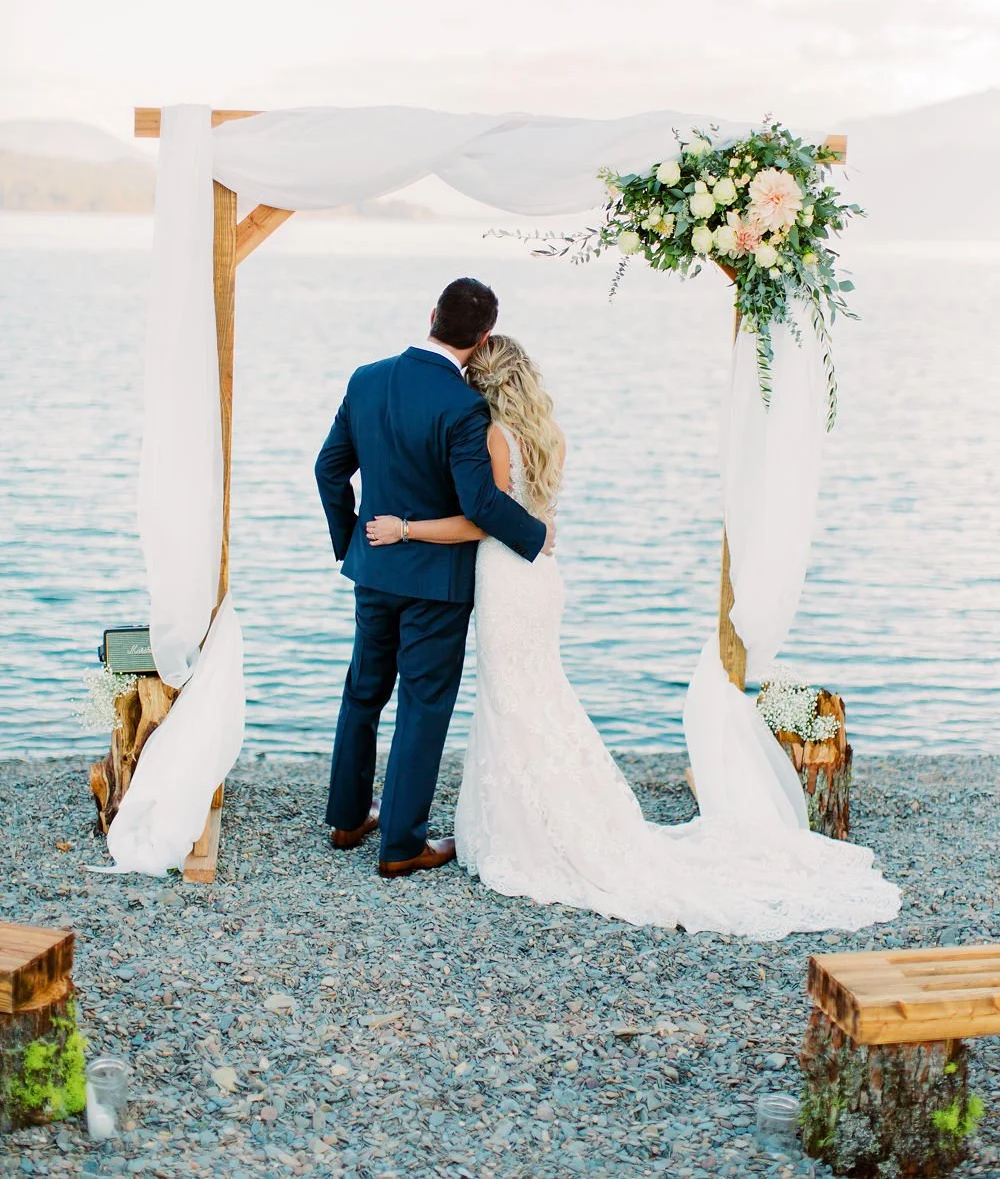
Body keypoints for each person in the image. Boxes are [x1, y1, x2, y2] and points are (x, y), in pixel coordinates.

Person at [365, 334, 901, 938]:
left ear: (483, 382)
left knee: (511, 697)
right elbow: (537, 516)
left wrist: (406, 528)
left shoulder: (491, 437)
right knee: (535, 692)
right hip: (541, 579)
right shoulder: (550, 435)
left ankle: (522, 830)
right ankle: (534, 817)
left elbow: (482, 521)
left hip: (506, 577)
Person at [315, 279, 555, 880]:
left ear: (430, 317)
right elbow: (480, 503)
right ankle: (400, 845)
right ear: (481, 338)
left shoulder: (366, 378)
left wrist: (350, 541)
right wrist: (534, 536)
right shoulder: (464, 406)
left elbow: (329, 470)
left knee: (363, 690)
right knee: (423, 707)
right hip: (436, 586)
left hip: (373, 567)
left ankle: (347, 820)